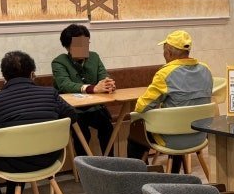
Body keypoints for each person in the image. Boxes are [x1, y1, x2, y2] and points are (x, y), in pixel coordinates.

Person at [0, 51, 78, 194]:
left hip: (13, 164)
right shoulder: (50, 93)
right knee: (18, 148)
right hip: (50, 158)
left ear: (4, 76)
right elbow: (72, 116)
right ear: (32, 73)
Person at [128, 30, 213, 172]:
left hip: (173, 140)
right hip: (200, 136)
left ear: (168, 52)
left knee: (136, 130)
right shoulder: (206, 70)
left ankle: (136, 177)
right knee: (177, 122)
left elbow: (141, 107)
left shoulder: (165, 74)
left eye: (164, 50)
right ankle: (174, 175)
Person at [51, 24, 116, 154]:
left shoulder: (94, 57)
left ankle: (110, 162)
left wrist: (108, 84)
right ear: (67, 46)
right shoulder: (59, 62)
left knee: (107, 128)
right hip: (73, 109)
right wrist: (92, 88)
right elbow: (64, 84)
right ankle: (83, 165)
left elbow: (103, 76)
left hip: (95, 107)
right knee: (82, 134)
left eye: (86, 44)